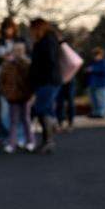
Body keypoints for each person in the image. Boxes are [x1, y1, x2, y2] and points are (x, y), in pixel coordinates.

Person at [28, 18, 62, 154]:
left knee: (42, 109)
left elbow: (48, 61)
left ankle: (49, 139)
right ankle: (48, 139)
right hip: (48, 80)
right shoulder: (48, 40)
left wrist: (36, 74)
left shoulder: (46, 41)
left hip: (47, 81)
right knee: (45, 108)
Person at [0, 41, 34, 153]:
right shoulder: (8, 64)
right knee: (14, 120)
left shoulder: (27, 63)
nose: (18, 53)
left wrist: (32, 93)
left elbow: (32, 80)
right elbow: (0, 78)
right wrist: (6, 92)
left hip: (25, 95)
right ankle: (12, 142)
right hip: (13, 96)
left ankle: (29, 141)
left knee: (25, 119)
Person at [0, 17, 19, 142]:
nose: (8, 31)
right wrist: (2, 59)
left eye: (10, 28)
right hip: (1, 78)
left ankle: (14, 134)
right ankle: (1, 133)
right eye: (6, 28)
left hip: (16, 79)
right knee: (0, 108)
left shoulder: (20, 42)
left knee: (15, 109)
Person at [84, 48, 105, 118]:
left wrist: (92, 69)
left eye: (97, 55)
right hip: (93, 84)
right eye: (94, 55)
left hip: (102, 85)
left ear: (101, 55)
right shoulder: (92, 62)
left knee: (102, 100)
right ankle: (95, 112)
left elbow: (104, 71)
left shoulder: (104, 62)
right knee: (94, 100)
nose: (95, 57)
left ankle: (101, 113)